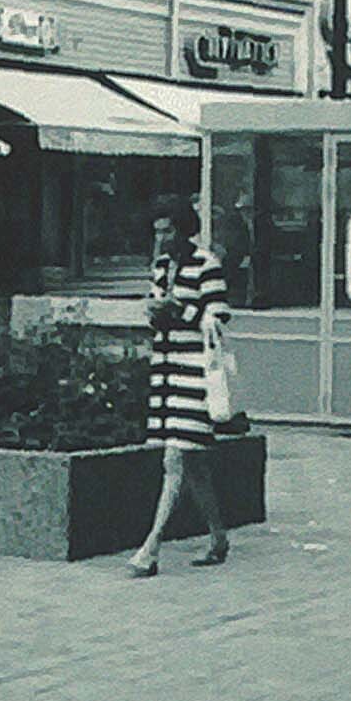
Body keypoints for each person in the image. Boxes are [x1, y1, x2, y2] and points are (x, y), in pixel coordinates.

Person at [126, 200, 231, 575]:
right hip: (167, 373)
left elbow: (217, 319)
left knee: (174, 459)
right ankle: (218, 537)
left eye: (168, 231)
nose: (162, 239)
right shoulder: (160, 267)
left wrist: (180, 310)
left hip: (194, 375)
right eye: (157, 232)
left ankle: (150, 548)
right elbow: (157, 313)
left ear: (185, 229)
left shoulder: (207, 265)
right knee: (195, 465)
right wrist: (155, 313)